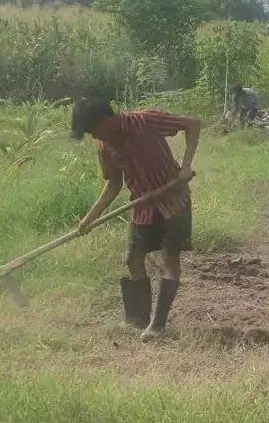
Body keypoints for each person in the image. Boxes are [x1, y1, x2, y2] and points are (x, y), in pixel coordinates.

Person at [71, 99, 201, 342]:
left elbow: (193, 124)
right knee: (132, 258)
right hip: (143, 205)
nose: (92, 137)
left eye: (92, 130)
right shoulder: (104, 146)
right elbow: (113, 184)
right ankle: (138, 318)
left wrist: (185, 165)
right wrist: (89, 218)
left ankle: (157, 325)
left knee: (170, 260)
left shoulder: (146, 120)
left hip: (174, 202)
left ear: (105, 119)